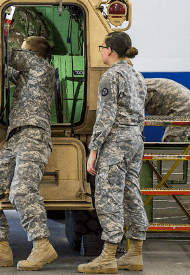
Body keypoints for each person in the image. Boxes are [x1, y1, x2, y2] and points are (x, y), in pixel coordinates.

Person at [0, 36, 58, 271]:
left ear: (32, 54)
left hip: (33, 135)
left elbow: (4, 54)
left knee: (21, 191)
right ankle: (0, 249)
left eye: (24, 52)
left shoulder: (41, 67)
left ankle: (42, 246)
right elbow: (5, 70)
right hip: (16, 137)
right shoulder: (28, 75)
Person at [78, 32, 149, 274]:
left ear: (109, 50)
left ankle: (108, 256)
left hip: (116, 143)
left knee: (108, 197)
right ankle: (135, 254)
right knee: (131, 194)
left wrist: (93, 150)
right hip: (135, 141)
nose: (101, 51)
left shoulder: (111, 76)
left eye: (102, 47)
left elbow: (105, 117)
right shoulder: (137, 76)